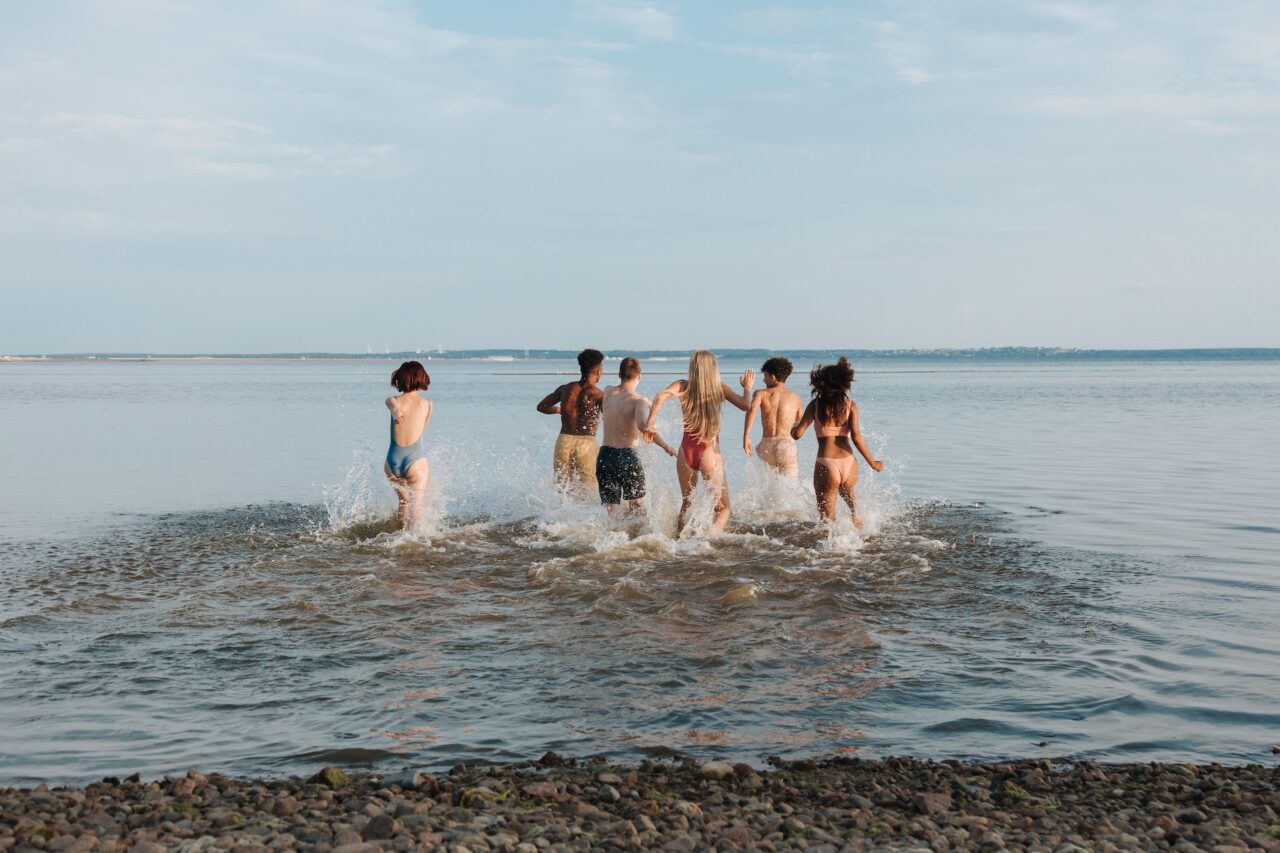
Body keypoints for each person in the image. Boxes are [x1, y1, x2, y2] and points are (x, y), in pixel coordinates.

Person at [643, 351, 754, 534]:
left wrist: (649, 424)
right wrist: (748, 388)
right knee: (723, 508)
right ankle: (709, 537)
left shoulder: (683, 386)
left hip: (686, 452)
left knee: (687, 503)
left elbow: (661, 396)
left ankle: (679, 541)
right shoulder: (719, 388)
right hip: (709, 452)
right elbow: (745, 405)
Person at [791, 357, 884, 526]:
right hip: (848, 462)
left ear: (820, 383)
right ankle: (855, 514)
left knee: (827, 522)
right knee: (848, 490)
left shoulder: (815, 405)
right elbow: (856, 437)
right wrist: (873, 463)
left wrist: (794, 425)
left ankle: (832, 548)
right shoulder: (850, 406)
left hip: (826, 464)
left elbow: (797, 434)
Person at [597, 357, 677, 515]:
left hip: (605, 455)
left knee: (612, 510)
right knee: (637, 506)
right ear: (639, 376)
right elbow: (643, 427)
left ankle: (611, 536)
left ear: (619, 374)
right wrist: (666, 447)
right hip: (627, 456)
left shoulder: (607, 391)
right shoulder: (639, 401)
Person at [537, 348, 605, 493]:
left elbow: (542, 407)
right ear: (598, 371)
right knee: (589, 491)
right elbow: (610, 419)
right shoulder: (599, 395)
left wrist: (558, 410)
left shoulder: (565, 388)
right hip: (586, 444)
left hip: (563, 441)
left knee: (562, 490)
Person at [384, 360, 434, 529]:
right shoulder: (427, 405)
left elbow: (389, 402)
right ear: (422, 378)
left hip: (391, 462)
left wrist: (396, 410)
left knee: (404, 501)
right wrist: (395, 411)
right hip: (415, 460)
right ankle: (412, 539)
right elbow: (422, 430)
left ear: (400, 379)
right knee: (416, 503)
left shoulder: (394, 400)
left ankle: (399, 535)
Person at [742, 355, 803, 476]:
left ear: (772, 377)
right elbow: (799, 422)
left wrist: (746, 436)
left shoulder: (761, 394)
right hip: (786, 445)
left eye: (765, 376)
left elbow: (752, 409)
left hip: (766, 445)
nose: (764, 380)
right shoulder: (795, 398)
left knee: (768, 488)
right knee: (790, 486)